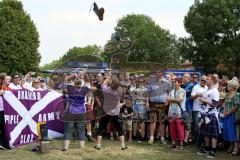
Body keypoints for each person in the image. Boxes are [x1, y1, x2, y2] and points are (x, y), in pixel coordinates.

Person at [94, 73, 127, 150]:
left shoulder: (106, 90)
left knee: (101, 128)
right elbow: (119, 87)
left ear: (111, 83)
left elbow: (104, 83)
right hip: (116, 112)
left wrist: (109, 76)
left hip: (106, 112)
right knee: (120, 129)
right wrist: (114, 79)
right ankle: (123, 146)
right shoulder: (119, 92)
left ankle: (98, 145)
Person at [61, 79, 90, 151]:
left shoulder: (71, 89)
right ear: (81, 84)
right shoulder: (84, 89)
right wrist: (83, 75)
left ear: (74, 84)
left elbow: (66, 80)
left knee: (68, 130)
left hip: (71, 112)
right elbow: (87, 82)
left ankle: (65, 148)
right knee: (81, 130)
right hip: (81, 112)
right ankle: (82, 148)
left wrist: (74, 76)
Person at [197, 75, 220, 159]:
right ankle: (207, 149)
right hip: (205, 113)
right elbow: (205, 103)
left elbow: (215, 104)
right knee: (205, 133)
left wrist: (204, 100)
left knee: (213, 134)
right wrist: (202, 102)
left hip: (212, 114)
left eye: (208, 79)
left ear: (213, 81)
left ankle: (213, 151)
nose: (206, 80)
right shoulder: (206, 90)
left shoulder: (215, 91)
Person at [147, 71, 171, 144]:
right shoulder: (151, 82)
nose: (157, 73)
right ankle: (151, 138)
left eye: (159, 72)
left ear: (162, 73)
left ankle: (162, 138)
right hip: (153, 104)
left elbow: (170, 93)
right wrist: (147, 102)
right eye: (156, 72)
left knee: (162, 122)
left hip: (163, 104)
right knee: (152, 121)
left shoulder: (167, 82)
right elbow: (148, 93)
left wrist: (168, 102)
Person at [167, 78, 186, 150]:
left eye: (175, 82)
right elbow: (167, 99)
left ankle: (181, 143)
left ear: (179, 83)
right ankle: (173, 143)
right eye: (173, 82)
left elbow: (179, 100)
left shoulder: (182, 91)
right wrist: (172, 100)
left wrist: (171, 100)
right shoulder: (172, 91)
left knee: (180, 128)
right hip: (172, 112)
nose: (174, 83)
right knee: (172, 128)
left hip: (179, 112)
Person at [223, 79, 239, 155]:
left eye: (229, 85)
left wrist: (229, 112)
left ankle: (236, 148)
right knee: (228, 131)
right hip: (226, 115)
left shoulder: (237, 94)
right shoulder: (227, 94)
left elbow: (236, 106)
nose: (227, 86)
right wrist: (224, 111)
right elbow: (225, 104)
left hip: (233, 115)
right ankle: (231, 146)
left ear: (233, 86)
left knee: (234, 132)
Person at [191, 75, 208, 144]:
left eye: (204, 80)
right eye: (202, 80)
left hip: (205, 110)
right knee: (196, 125)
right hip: (196, 109)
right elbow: (191, 97)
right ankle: (196, 140)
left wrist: (204, 99)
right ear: (200, 80)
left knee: (204, 125)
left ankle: (202, 141)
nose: (203, 81)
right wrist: (197, 95)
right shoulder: (196, 87)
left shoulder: (207, 88)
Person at [130, 77, 148, 142]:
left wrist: (139, 97)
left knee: (142, 121)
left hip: (142, 105)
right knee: (135, 121)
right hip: (135, 105)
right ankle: (134, 135)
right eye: (138, 81)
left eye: (141, 81)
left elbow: (146, 98)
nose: (140, 82)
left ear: (143, 82)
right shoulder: (134, 89)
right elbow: (132, 97)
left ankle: (142, 136)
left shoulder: (146, 89)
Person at [181, 73, 194, 144]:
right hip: (181, 108)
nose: (183, 78)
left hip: (188, 108)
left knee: (187, 124)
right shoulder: (182, 85)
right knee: (181, 123)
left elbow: (184, 93)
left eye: (184, 77)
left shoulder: (191, 86)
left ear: (188, 79)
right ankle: (181, 138)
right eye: (183, 77)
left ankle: (185, 139)